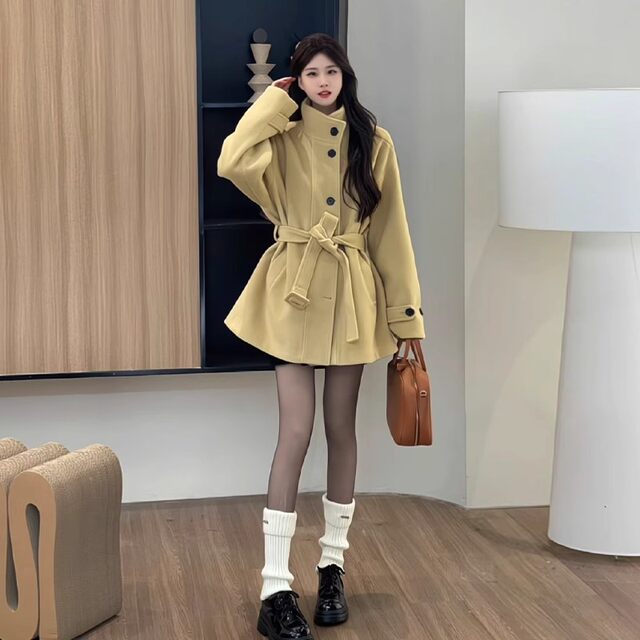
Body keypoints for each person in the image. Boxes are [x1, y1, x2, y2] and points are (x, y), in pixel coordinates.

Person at [217, 33, 425, 640]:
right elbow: (230, 160)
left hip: (353, 297)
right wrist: (272, 103)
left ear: (345, 76)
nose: (323, 82)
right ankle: (274, 585)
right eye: (311, 73)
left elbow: (391, 232)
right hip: (294, 293)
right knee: (295, 431)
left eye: (332, 71)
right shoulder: (278, 136)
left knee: (341, 431)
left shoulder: (374, 141)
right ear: (297, 80)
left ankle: (333, 567)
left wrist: (406, 319)